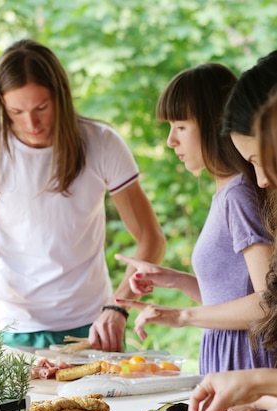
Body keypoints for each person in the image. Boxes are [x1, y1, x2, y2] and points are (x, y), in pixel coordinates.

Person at [0, 39, 165, 352]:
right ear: (1, 104)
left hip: (94, 326)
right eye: (16, 111)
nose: (31, 123)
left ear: (60, 97)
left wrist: (119, 306)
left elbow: (151, 239)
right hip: (13, 329)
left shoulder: (102, 143)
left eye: (41, 107)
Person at [115, 63, 275, 385]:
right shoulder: (225, 194)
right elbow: (227, 297)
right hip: (230, 361)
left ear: (213, 123)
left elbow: (266, 302)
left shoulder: (239, 195)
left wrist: (181, 317)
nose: (171, 140)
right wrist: (174, 280)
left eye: (180, 126)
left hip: (247, 364)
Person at [175, 52, 277, 411]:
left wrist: (256, 384)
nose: (262, 181)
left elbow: (262, 302)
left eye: (261, 161)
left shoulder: (238, 196)